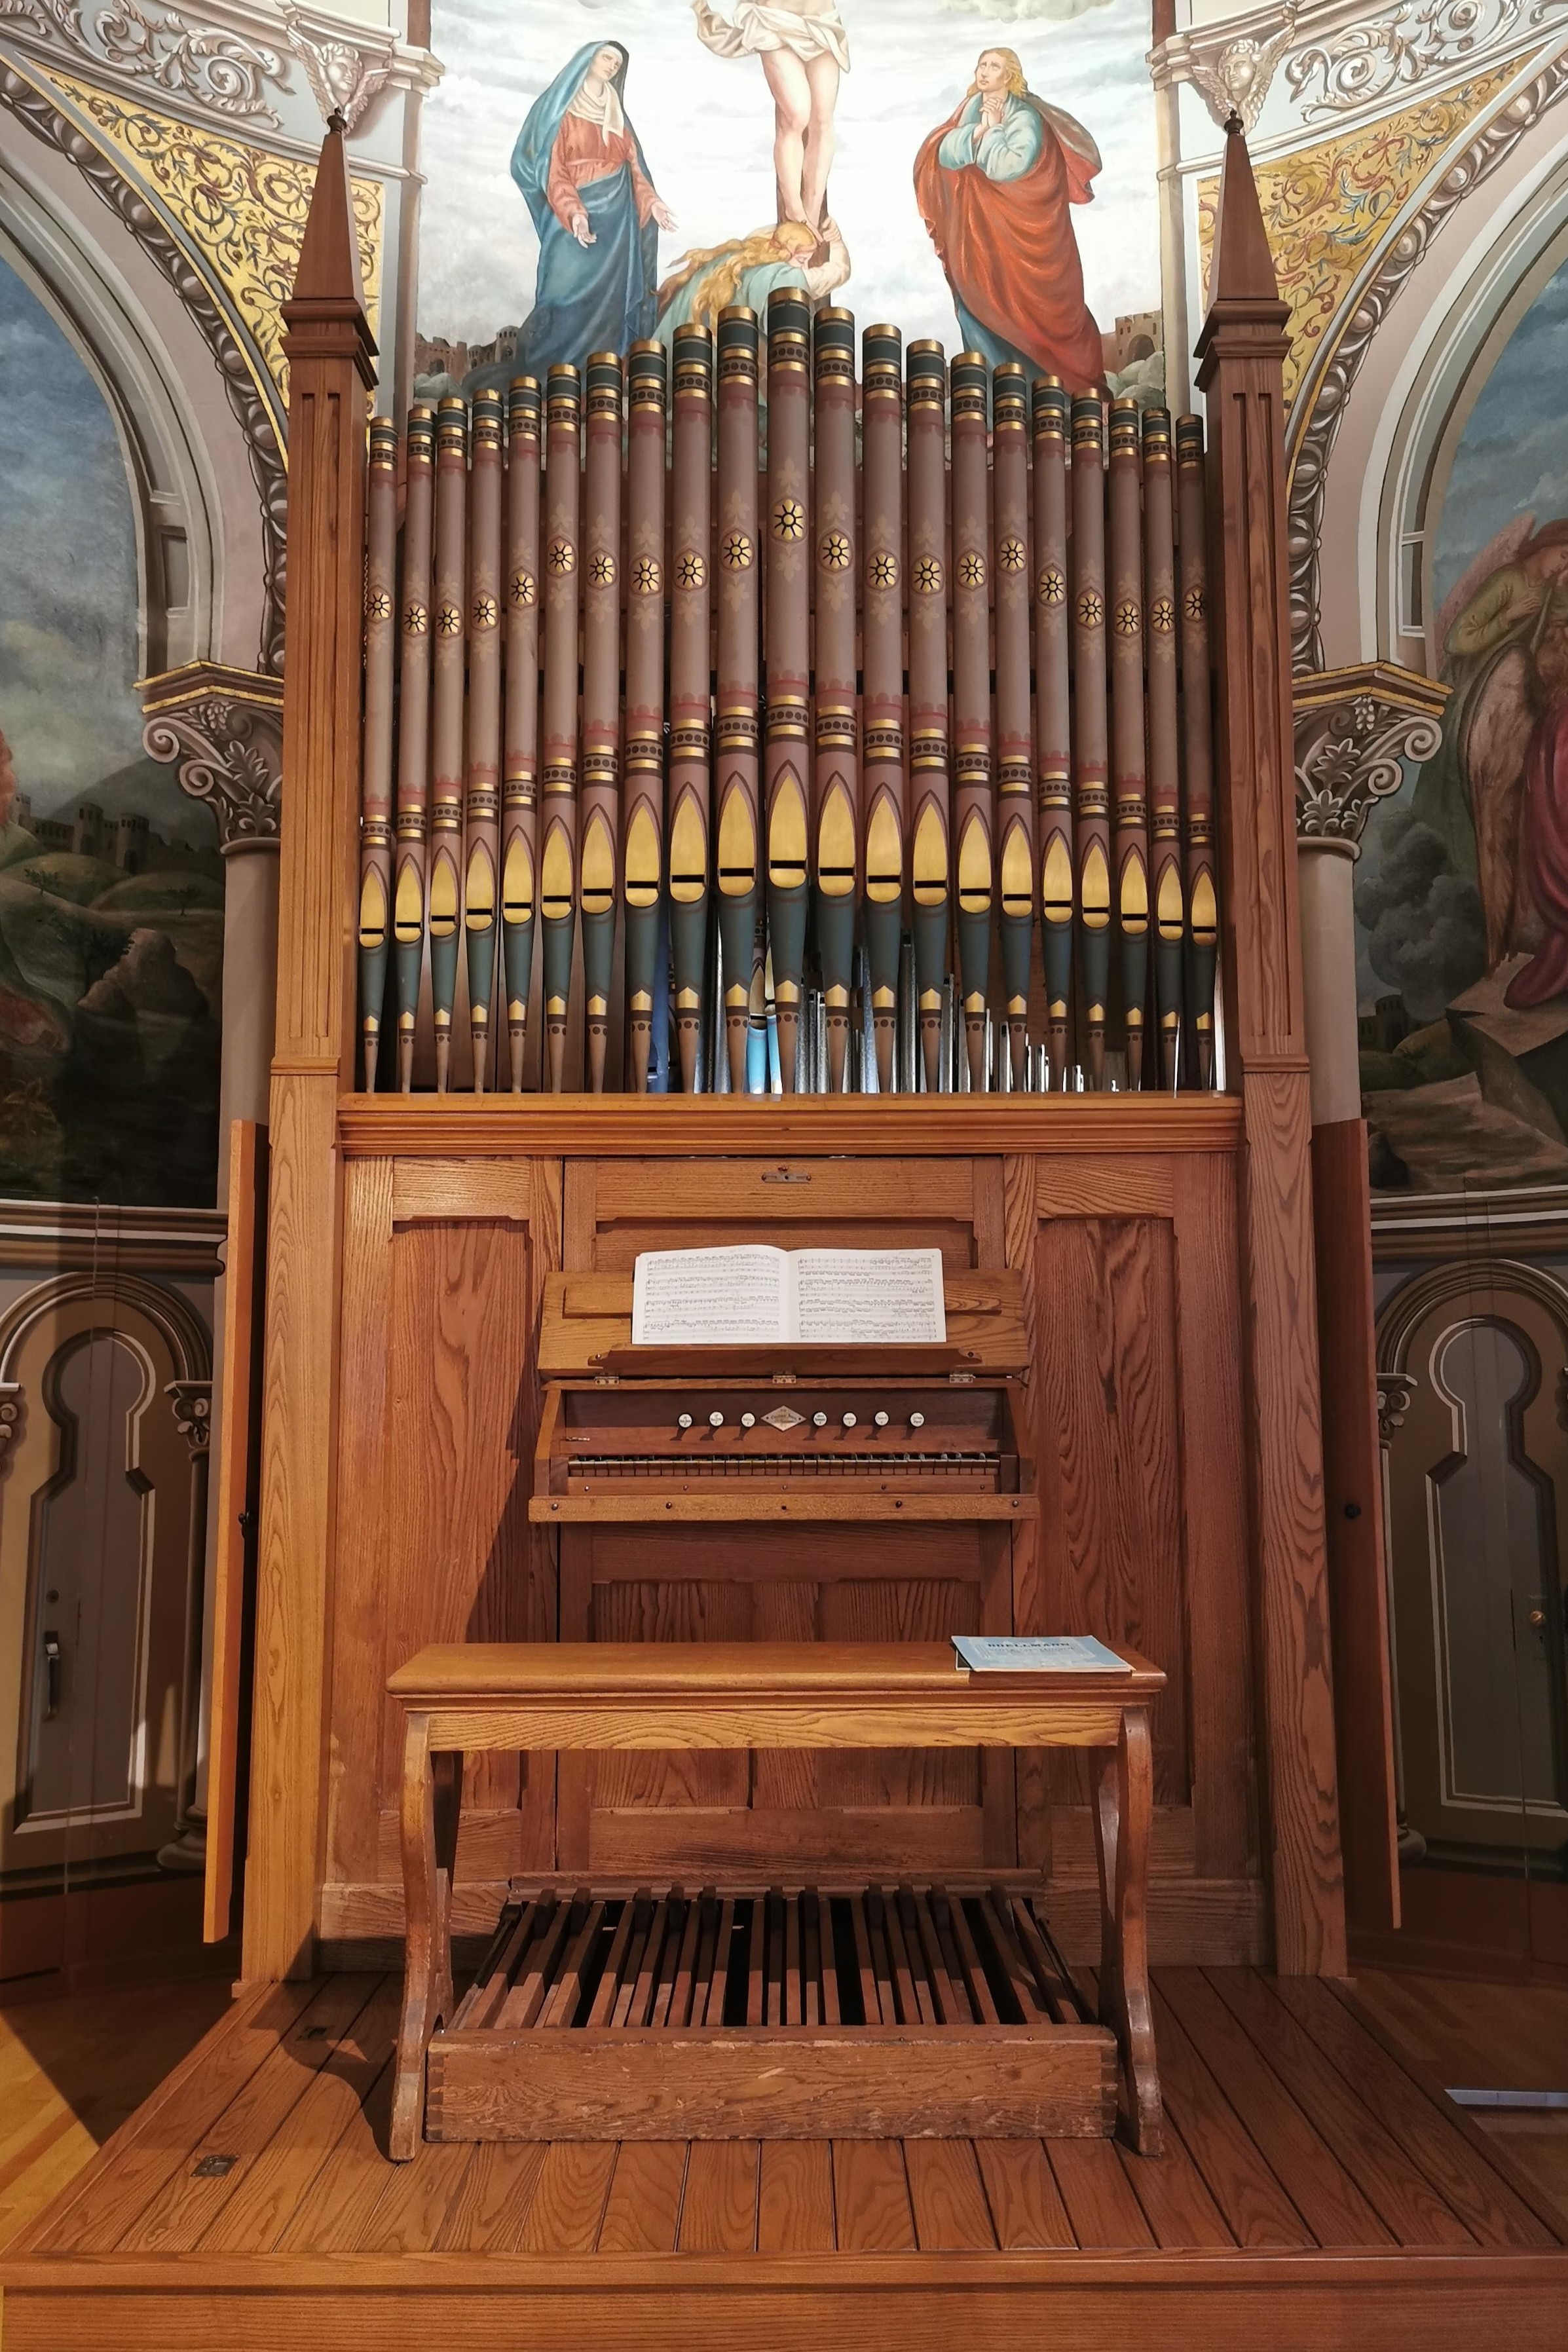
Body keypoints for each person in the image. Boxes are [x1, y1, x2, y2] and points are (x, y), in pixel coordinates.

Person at [914, 47, 1104, 392]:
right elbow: (939, 150)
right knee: (976, 305)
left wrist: (993, 132)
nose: (984, 71)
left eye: (994, 66)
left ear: (1009, 75)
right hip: (977, 238)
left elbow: (1008, 167)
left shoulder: (1026, 117)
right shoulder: (970, 109)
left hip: (1022, 243)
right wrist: (977, 132)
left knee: (1030, 321)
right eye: (982, 65)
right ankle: (993, 407)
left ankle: (1046, 404)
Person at [507, 42, 675, 379]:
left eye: (617, 62)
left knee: (612, 304)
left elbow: (634, 167)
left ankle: (604, 380)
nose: (612, 65)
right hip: (572, 219)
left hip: (618, 222)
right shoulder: (564, 111)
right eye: (607, 57)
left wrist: (652, 202)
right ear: (588, 60)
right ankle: (552, 379)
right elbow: (554, 170)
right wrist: (575, 213)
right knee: (562, 294)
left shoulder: (616, 114)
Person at [692, 0, 849, 231]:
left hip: (822, 19)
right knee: (796, 115)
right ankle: (795, 211)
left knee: (822, 121)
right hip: (774, 19)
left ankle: (811, 216)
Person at [654, 216, 850, 342]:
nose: (804, 268)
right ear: (785, 253)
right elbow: (837, 273)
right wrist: (836, 241)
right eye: (802, 260)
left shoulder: (730, 259)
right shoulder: (780, 276)